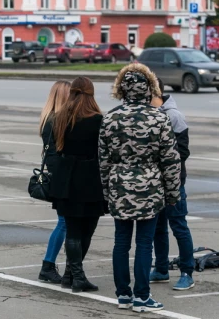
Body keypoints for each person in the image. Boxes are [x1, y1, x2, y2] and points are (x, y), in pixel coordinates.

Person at [99, 63, 181, 313]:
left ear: (122, 90)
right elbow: (170, 160)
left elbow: (103, 160)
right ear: (149, 90)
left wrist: (106, 191)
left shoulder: (110, 118)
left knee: (121, 242)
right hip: (150, 188)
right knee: (145, 243)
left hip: (119, 186)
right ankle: (142, 297)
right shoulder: (159, 118)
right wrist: (173, 193)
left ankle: (123, 294)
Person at [49, 77, 105, 293]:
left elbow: (56, 146)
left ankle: (70, 275)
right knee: (87, 230)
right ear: (91, 94)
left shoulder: (61, 117)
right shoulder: (97, 119)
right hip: (90, 178)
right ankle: (76, 276)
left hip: (65, 178)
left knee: (73, 230)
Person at [150, 78, 195, 290]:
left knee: (178, 225)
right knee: (158, 228)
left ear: (155, 93)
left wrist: (161, 161)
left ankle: (187, 272)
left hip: (174, 181)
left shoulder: (174, 116)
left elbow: (184, 151)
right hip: (153, 182)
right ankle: (161, 269)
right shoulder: (148, 115)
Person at [37, 80, 71, 284]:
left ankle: (50, 265)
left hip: (54, 173)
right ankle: (48, 265)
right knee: (65, 223)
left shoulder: (47, 118)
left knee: (64, 222)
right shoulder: (59, 120)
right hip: (62, 176)